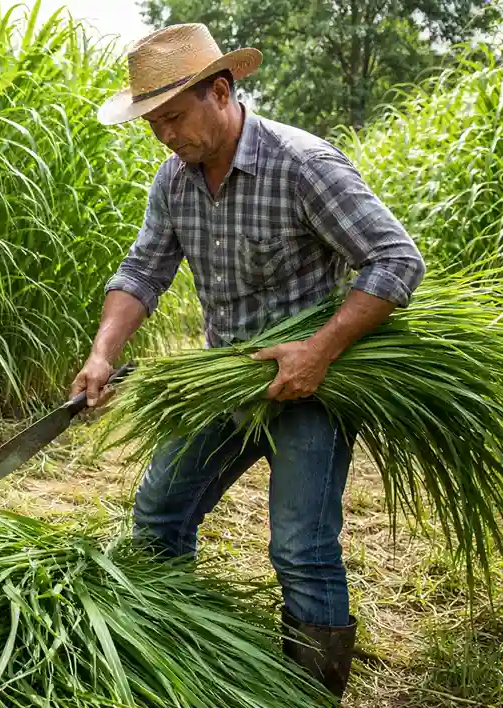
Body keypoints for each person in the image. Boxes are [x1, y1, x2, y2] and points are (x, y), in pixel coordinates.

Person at [70, 23, 425, 700]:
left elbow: (395, 260)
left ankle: (309, 694)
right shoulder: (174, 182)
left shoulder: (303, 164)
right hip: (226, 380)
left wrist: (318, 351)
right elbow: (142, 272)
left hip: (312, 386)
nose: (166, 136)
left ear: (221, 90)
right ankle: (174, 661)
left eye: (174, 117)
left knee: (300, 547)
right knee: (159, 515)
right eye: (153, 124)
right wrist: (102, 354)